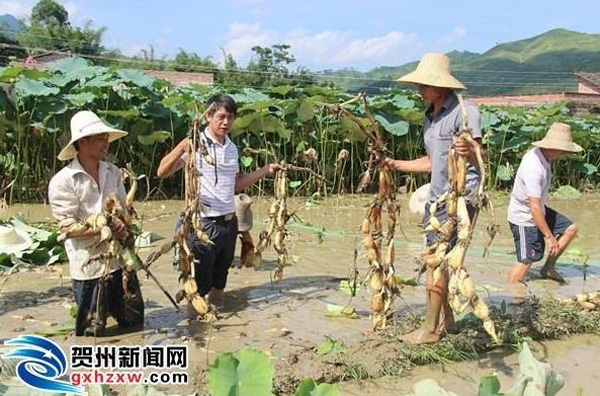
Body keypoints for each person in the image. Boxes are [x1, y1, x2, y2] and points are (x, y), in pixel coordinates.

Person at [384, 53, 484, 344]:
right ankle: (448, 323)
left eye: (424, 85)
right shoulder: (431, 117)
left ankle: (429, 330)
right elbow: (432, 162)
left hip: (459, 201)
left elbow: (479, 156)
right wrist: (395, 164)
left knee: (435, 263)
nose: (419, 91)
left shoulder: (466, 112)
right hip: (436, 198)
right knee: (444, 262)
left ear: (440, 86)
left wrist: (469, 152)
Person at [157, 94, 282, 308]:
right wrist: (182, 147)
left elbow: (234, 184)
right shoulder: (197, 144)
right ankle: (196, 327)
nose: (226, 122)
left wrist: (265, 170)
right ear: (208, 116)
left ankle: (218, 330)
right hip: (202, 224)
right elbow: (162, 172)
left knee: (220, 281)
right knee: (199, 285)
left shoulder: (231, 148)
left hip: (228, 223)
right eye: (221, 117)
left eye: (230, 117)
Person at [48, 110, 141, 336]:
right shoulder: (63, 181)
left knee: (134, 322)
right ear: (82, 142)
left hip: (120, 260)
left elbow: (123, 209)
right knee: (92, 332)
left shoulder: (113, 172)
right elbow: (67, 227)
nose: (106, 142)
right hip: (88, 266)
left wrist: (122, 223)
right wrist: (103, 228)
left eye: (106, 137)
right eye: (100, 138)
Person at [507, 122, 581, 301]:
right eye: (563, 150)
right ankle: (515, 298)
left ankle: (547, 268)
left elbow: (537, 204)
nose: (564, 154)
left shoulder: (545, 157)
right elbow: (533, 206)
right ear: (552, 147)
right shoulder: (534, 167)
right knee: (526, 260)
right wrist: (549, 236)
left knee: (571, 228)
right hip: (524, 216)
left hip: (538, 209)